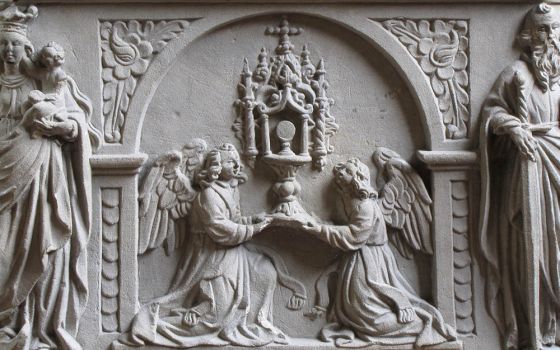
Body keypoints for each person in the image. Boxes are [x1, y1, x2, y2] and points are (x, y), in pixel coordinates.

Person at [119, 143, 306, 348]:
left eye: (236, 161)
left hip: (235, 253)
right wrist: (254, 229)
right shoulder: (207, 195)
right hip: (212, 258)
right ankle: (160, 325)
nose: (235, 165)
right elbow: (220, 228)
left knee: (266, 271)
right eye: (229, 162)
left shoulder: (230, 189)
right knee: (216, 316)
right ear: (215, 167)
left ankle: (254, 321)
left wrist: (255, 219)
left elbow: (234, 219)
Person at [0, 3, 100, 349]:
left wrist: (60, 127)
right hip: (5, 167)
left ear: (27, 50)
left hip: (41, 173)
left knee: (36, 242)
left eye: (14, 44)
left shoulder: (48, 80)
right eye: (3, 44)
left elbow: (79, 126)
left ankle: (29, 322)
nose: (8, 50)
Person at [296, 158, 456, 348]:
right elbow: (351, 229)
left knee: (367, 312)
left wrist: (319, 230)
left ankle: (421, 323)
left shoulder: (365, 205)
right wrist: (320, 224)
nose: (340, 174)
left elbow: (355, 235)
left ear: (357, 177)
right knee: (355, 309)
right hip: (359, 258)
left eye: (346, 171)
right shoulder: (354, 200)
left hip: (369, 262)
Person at [480, 3, 560, 348]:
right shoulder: (516, 74)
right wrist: (512, 126)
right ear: (528, 36)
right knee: (531, 244)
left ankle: (554, 324)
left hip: (556, 157)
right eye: (542, 30)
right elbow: (491, 112)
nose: (550, 36)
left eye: (554, 28)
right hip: (527, 163)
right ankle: (533, 328)